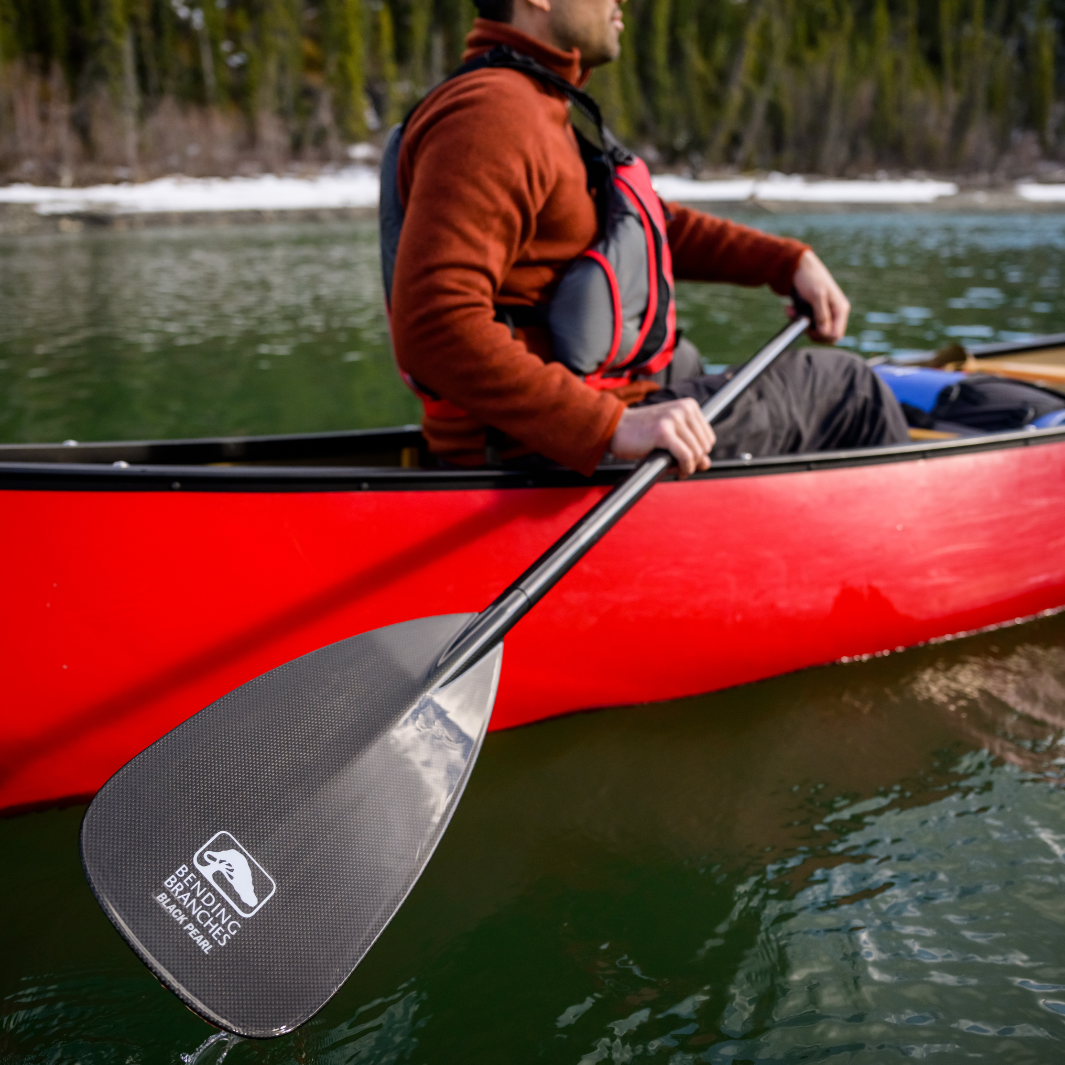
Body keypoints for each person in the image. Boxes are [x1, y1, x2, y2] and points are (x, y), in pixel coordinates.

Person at [388, 0, 909, 477]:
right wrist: (610, 426)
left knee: (684, 359)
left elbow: (645, 226)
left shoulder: (538, 99)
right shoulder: (495, 113)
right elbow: (433, 325)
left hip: (576, 424)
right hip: (541, 451)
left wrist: (786, 262)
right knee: (848, 388)